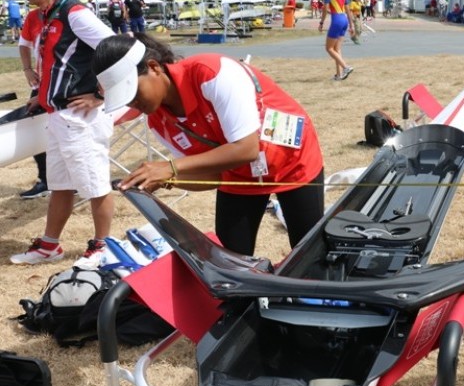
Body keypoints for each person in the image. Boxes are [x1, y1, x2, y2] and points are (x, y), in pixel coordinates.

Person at [92, 34, 326, 255]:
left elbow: (246, 148)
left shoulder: (211, 73)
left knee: (307, 252)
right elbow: (213, 176)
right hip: (239, 176)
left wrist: (171, 167)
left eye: (133, 92)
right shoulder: (159, 122)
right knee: (230, 262)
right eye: (126, 99)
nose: (134, 103)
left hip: (292, 160)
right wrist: (168, 179)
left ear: (154, 68)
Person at [9, 0, 116, 268]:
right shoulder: (50, 12)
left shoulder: (74, 13)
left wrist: (101, 95)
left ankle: (102, 247)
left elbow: (121, 49)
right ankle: (49, 245)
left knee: (95, 184)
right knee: (60, 185)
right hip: (59, 116)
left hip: (79, 118)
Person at [17, 0, 49, 199]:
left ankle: (71, 181)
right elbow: (23, 44)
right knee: (35, 133)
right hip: (40, 87)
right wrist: (28, 69)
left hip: (61, 88)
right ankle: (45, 180)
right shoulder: (32, 16)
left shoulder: (67, 14)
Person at [318, 0, 355, 82]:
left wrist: (321, 23)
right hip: (344, 21)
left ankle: (346, 67)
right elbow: (348, 10)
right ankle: (339, 75)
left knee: (328, 48)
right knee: (336, 49)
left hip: (337, 21)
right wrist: (351, 26)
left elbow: (325, 8)